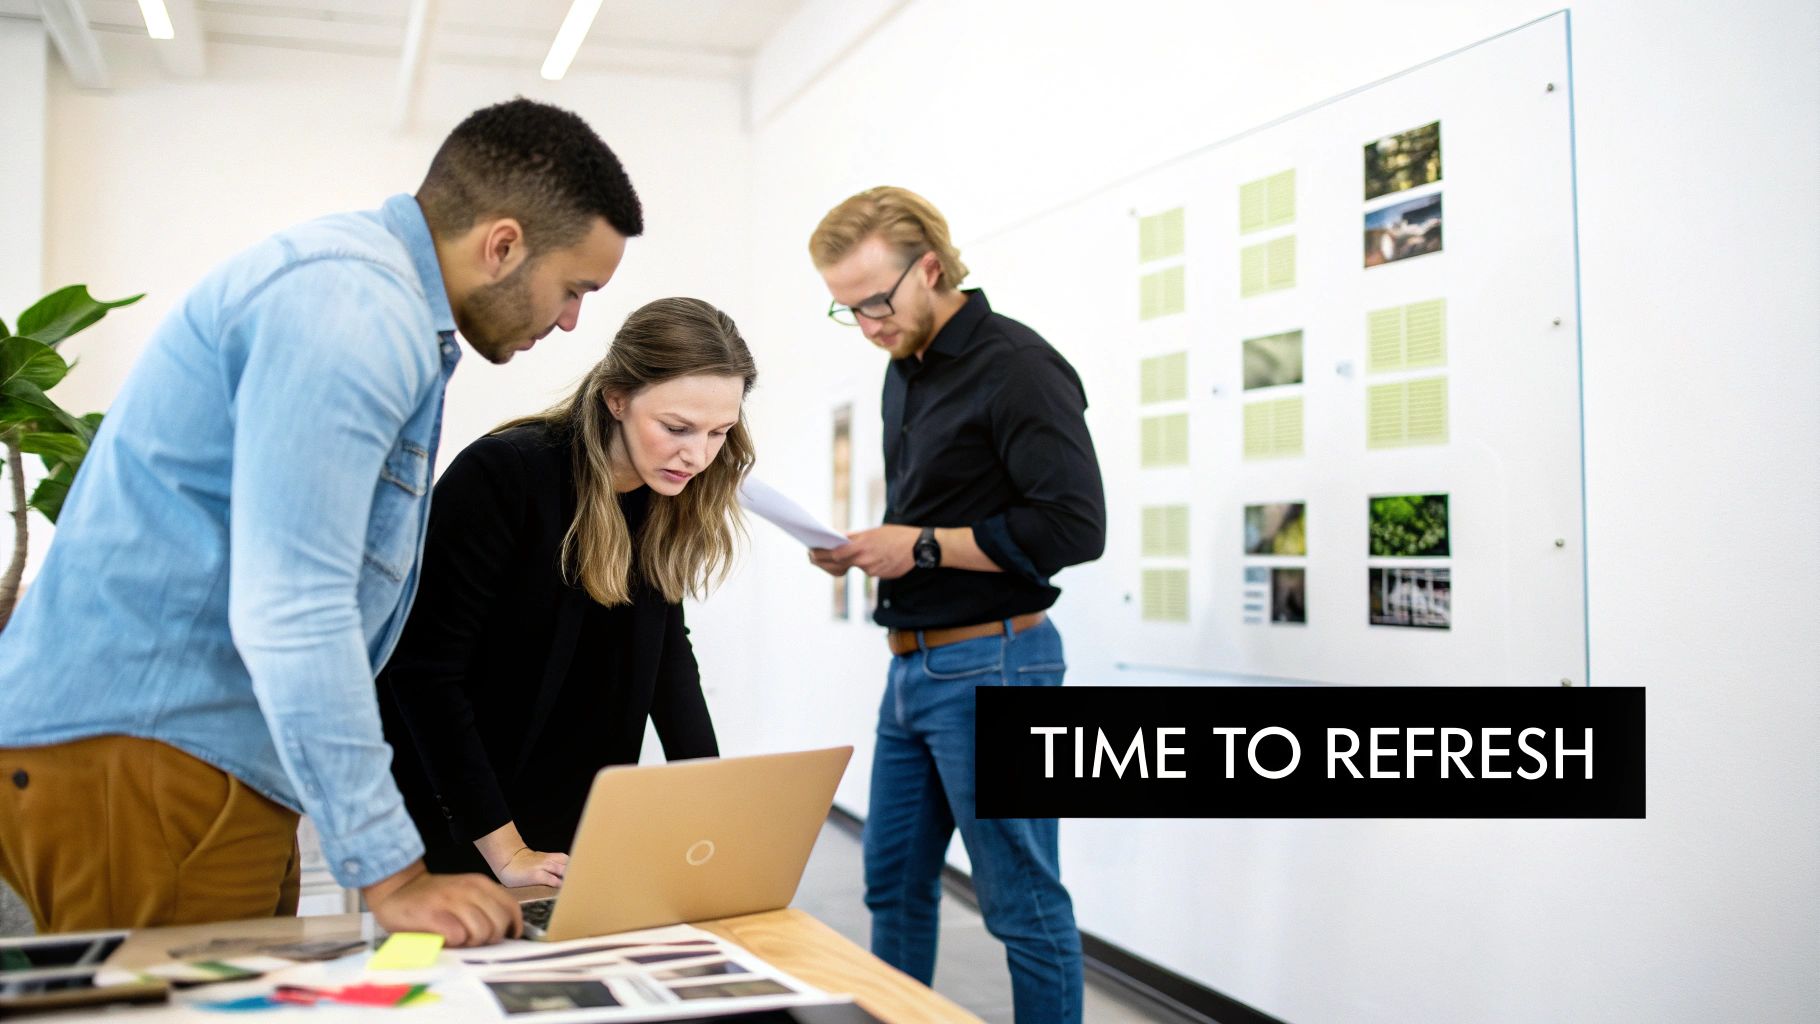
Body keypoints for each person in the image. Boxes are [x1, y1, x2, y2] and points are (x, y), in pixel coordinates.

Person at [0, 98, 642, 946]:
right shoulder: (355, 312)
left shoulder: (363, 295)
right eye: (574, 289)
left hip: (203, 761)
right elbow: (297, 604)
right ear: (502, 245)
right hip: (155, 752)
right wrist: (394, 874)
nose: (570, 321)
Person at [806, 186, 1106, 1024]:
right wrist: (867, 550)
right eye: (846, 309)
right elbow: (930, 517)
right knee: (892, 884)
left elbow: (1075, 527)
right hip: (913, 667)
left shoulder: (1019, 366)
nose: (867, 325)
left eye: (875, 301)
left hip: (998, 665)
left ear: (930, 268)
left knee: (1021, 904)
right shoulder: (903, 371)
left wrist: (921, 546)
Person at [378, 297, 755, 887]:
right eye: (677, 428)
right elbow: (424, 673)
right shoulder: (504, 474)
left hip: (571, 809)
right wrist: (507, 851)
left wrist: (711, 816)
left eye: (719, 432)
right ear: (617, 398)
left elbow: (667, 662)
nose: (699, 455)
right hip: (463, 807)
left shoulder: (663, 497)